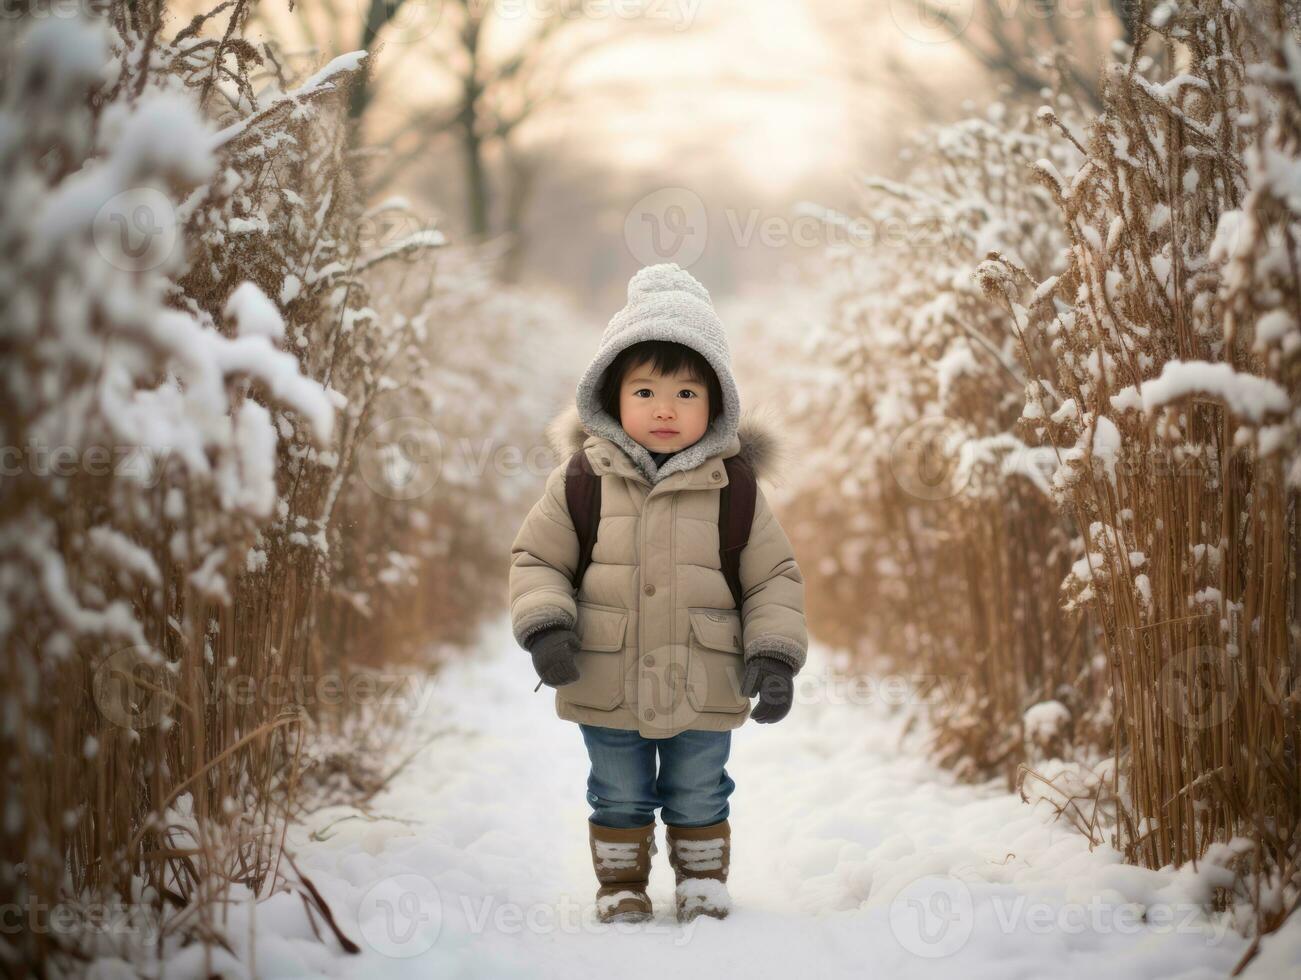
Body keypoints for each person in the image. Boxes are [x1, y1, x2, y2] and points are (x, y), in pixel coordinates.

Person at [508, 262, 808, 925]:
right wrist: (546, 625)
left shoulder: (737, 488)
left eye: (685, 393)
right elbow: (538, 558)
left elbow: (771, 578)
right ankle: (621, 885)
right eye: (643, 392)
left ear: (717, 403)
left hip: (706, 676)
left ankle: (702, 880)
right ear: (610, 398)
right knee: (615, 790)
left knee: (700, 787)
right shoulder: (582, 479)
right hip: (603, 672)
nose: (664, 409)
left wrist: (775, 655)